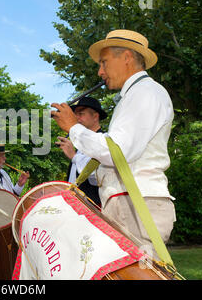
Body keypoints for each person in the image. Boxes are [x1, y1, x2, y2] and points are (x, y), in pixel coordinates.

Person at [51, 29, 176, 259]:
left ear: (127, 57)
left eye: (104, 63)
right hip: (127, 202)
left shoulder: (145, 92)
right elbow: (114, 162)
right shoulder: (134, 96)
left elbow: (117, 151)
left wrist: (73, 127)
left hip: (137, 204)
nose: (100, 72)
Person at [56, 97, 106, 207]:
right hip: (75, 208)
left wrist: (74, 156)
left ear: (95, 116)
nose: (76, 119)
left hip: (95, 210)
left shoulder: (104, 141)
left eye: (81, 114)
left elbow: (96, 177)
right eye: (75, 115)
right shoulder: (80, 145)